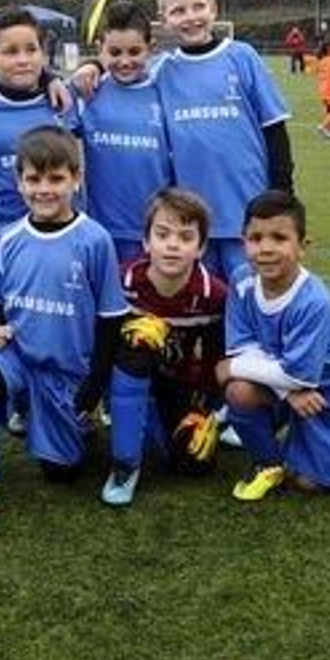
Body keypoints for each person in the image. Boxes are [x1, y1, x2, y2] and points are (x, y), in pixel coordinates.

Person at [0, 126, 130, 533]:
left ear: (76, 179)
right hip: (18, 357)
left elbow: (110, 320)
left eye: (56, 179)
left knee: (62, 472)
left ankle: (61, 418)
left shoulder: (94, 240)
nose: (44, 189)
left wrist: (94, 387)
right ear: (19, 181)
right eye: (33, 179)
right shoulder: (9, 238)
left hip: (68, 371)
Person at [219, 189, 330, 500]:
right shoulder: (241, 280)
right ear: (244, 243)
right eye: (255, 238)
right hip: (285, 375)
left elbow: (296, 375)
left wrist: (231, 366)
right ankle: (269, 464)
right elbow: (244, 345)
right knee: (238, 391)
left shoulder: (314, 300)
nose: (265, 249)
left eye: (279, 238)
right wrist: (286, 390)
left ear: (303, 247)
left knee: (312, 483)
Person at [146, 0, 294, 282]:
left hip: (248, 214)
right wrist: (90, 66)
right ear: (163, 19)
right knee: (204, 312)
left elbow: (275, 129)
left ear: (213, 8)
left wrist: (282, 195)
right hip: (190, 224)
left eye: (198, 6)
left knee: (253, 303)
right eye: (178, 10)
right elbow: (120, 75)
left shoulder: (242, 58)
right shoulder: (160, 71)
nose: (191, 17)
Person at [101, 188, 228, 507]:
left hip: (179, 381)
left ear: (201, 247)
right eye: (162, 234)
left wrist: (205, 407)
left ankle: (156, 420)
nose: (173, 245)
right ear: (146, 242)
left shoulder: (214, 294)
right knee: (138, 342)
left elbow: (217, 355)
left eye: (186, 237)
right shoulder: (123, 282)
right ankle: (125, 466)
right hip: (128, 375)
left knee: (195, 465)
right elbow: (99, 341)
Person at [0, 6, 80, 272]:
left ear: (43, 53)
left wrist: (80, 69)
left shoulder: (65, 101)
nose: (23, 60)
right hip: (4, 237)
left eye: (31, 49)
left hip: (67, 238)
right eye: (10, 52)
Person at [77, 1, 173, 264]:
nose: (125, 61)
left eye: (134, 51)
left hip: (156, 235)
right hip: (99, 234)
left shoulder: (165, 92)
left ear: (150, 49)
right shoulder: (88, 93)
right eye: (115, 52)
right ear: (100, 50)